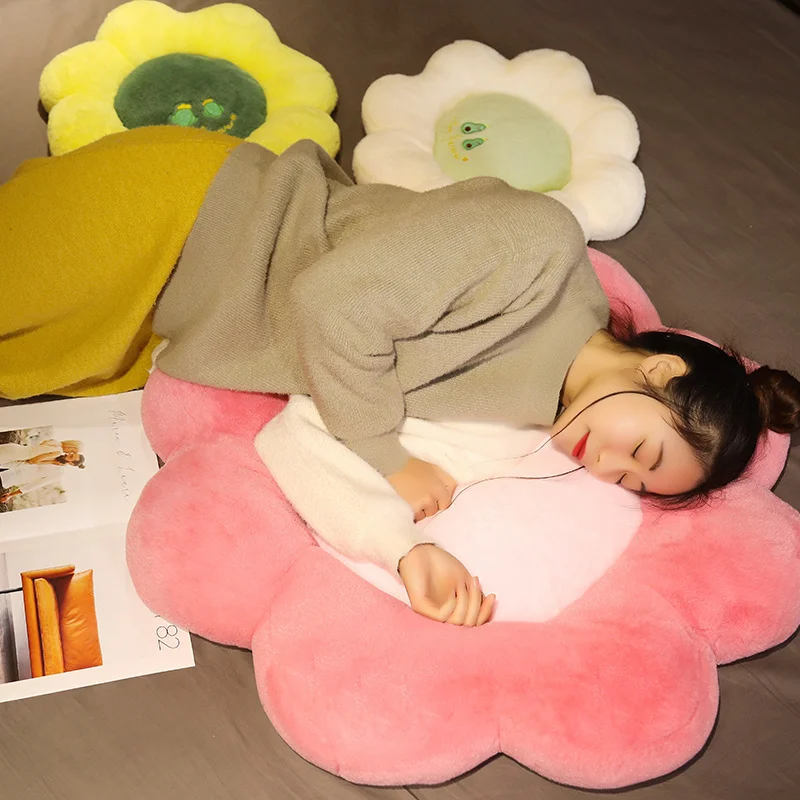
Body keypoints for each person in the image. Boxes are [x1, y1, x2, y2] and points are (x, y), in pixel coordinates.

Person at [1, 127, 799, 624]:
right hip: (192, 209)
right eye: (643, 451)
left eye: (630, 482)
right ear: (659, 368)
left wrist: (404, 550)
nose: (608, 466)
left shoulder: (516, 429)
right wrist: (389, 456)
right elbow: (331, 301)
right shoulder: (539, 248)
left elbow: (305, 440)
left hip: (174, 311)